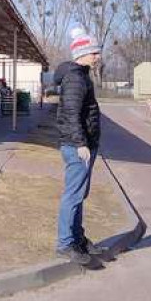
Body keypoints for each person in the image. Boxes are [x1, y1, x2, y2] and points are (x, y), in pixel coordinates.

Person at [54, 26, 109, 268]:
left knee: (79, 195)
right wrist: (80, 143)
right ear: (83, 53)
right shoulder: (75, 78)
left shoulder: (82, 75)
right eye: (94, 53)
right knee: (73, 195)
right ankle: (66, 243)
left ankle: (78, 239)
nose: (98, 57)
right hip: (78, 146)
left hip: (86, 144)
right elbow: (71, 114)